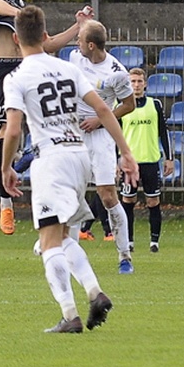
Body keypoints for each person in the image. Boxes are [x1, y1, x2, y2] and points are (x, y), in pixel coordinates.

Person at [1, 5, 139, 333]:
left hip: (51, 160)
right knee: (63, 236)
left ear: (15, 40)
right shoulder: (67, 68)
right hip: (79, 155)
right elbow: (104, 109)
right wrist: (127, 152)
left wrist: (6, 166)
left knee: (48, 241)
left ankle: (69, 316)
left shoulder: (17, 77)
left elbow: (14, 129)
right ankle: (95, 293)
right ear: (46, 36)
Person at [0, 0, 92, 234]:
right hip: (1, 69)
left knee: (48, 120)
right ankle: (5, 204)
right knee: (5, 129)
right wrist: (23, 16)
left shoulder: (24, 9)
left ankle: (29, 156)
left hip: (27, 67)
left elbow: (49, 44)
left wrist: (77, 26)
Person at [69, 20, 136, 273]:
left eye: (80, 39)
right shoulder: (76, 58)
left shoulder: (116, 72)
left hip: (101, 136)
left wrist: (100, 119)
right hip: (75, 135)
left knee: (107, 195)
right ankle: (72, 254)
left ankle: (124, 255)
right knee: (73, 193)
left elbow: (129, 104)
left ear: (91, 45)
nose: (76, 44)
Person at [120, 67, 176, 254]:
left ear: (145, 84)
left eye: (139, 81)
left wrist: (169, 158)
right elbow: (115, 135)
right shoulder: (120, 106)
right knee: (128, 200)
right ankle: (128, 241)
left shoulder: (155, 104)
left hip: (151, 160)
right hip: (129, 163)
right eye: (132, 81)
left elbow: (163, 132)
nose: (136, 85)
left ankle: (154, 241)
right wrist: (115, 161)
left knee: (153, 201)